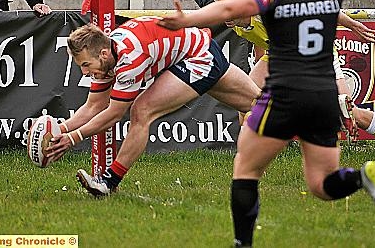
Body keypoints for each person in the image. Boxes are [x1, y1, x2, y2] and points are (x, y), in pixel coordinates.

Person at [159, 0, 375, 245]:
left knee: (246, 169)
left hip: (285, 94)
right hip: (322, 97)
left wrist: (188, 20)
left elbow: (226, 10)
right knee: (321, 184)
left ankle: (242, 243)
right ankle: (360, 177)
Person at [216, 0, 375, 174]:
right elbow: (261, 41)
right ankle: (246, 159)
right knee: (245, 99)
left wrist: (351, 24)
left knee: (349, 111)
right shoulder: (236, 22)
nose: (224, 11)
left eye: (229, 5)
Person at [44, 20, 262, 196]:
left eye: (85, 65)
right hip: (198, 48)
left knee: (142, 110)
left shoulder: (130, 59)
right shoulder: (107, 56)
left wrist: (72, 139)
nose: (84, 73)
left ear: (102, 54)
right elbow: (93, 106)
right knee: (263, 106)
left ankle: (108, 182)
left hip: (199, 56)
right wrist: (59, 131)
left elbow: (114, 114)